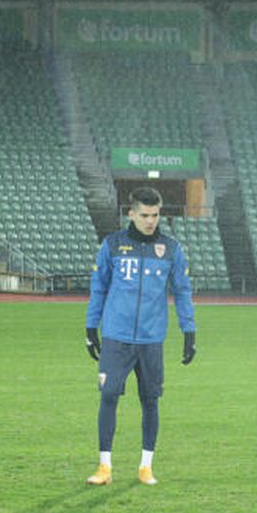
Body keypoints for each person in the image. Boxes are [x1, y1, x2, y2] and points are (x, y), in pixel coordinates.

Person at [84, 188, 196, 486]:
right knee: (108, 395)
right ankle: (104, 467)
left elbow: (183, 291)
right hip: (116, 337)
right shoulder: (112, 245)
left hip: (151, 340)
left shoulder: (171, 249)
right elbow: (99, 287)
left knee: (150, 400)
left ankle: (146, 466)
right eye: (144, 215)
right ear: (131, 214)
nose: (150, 221)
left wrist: (189, 331)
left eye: (155, 215)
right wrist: (90, 327)